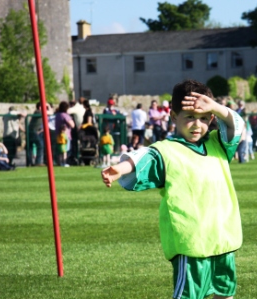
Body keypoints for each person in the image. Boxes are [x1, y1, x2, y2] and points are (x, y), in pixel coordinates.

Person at [101, 79, 243, 299]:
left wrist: (215, 106)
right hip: (192, 242)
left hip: (222, 238)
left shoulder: (219, 144)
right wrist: (120, 168)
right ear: (174, 116)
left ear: (212, 118)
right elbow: (144, 158)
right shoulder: (167, 150)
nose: (197, 125)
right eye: (190, 118)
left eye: (204, 118)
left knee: (225, 293)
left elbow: (238, 127)